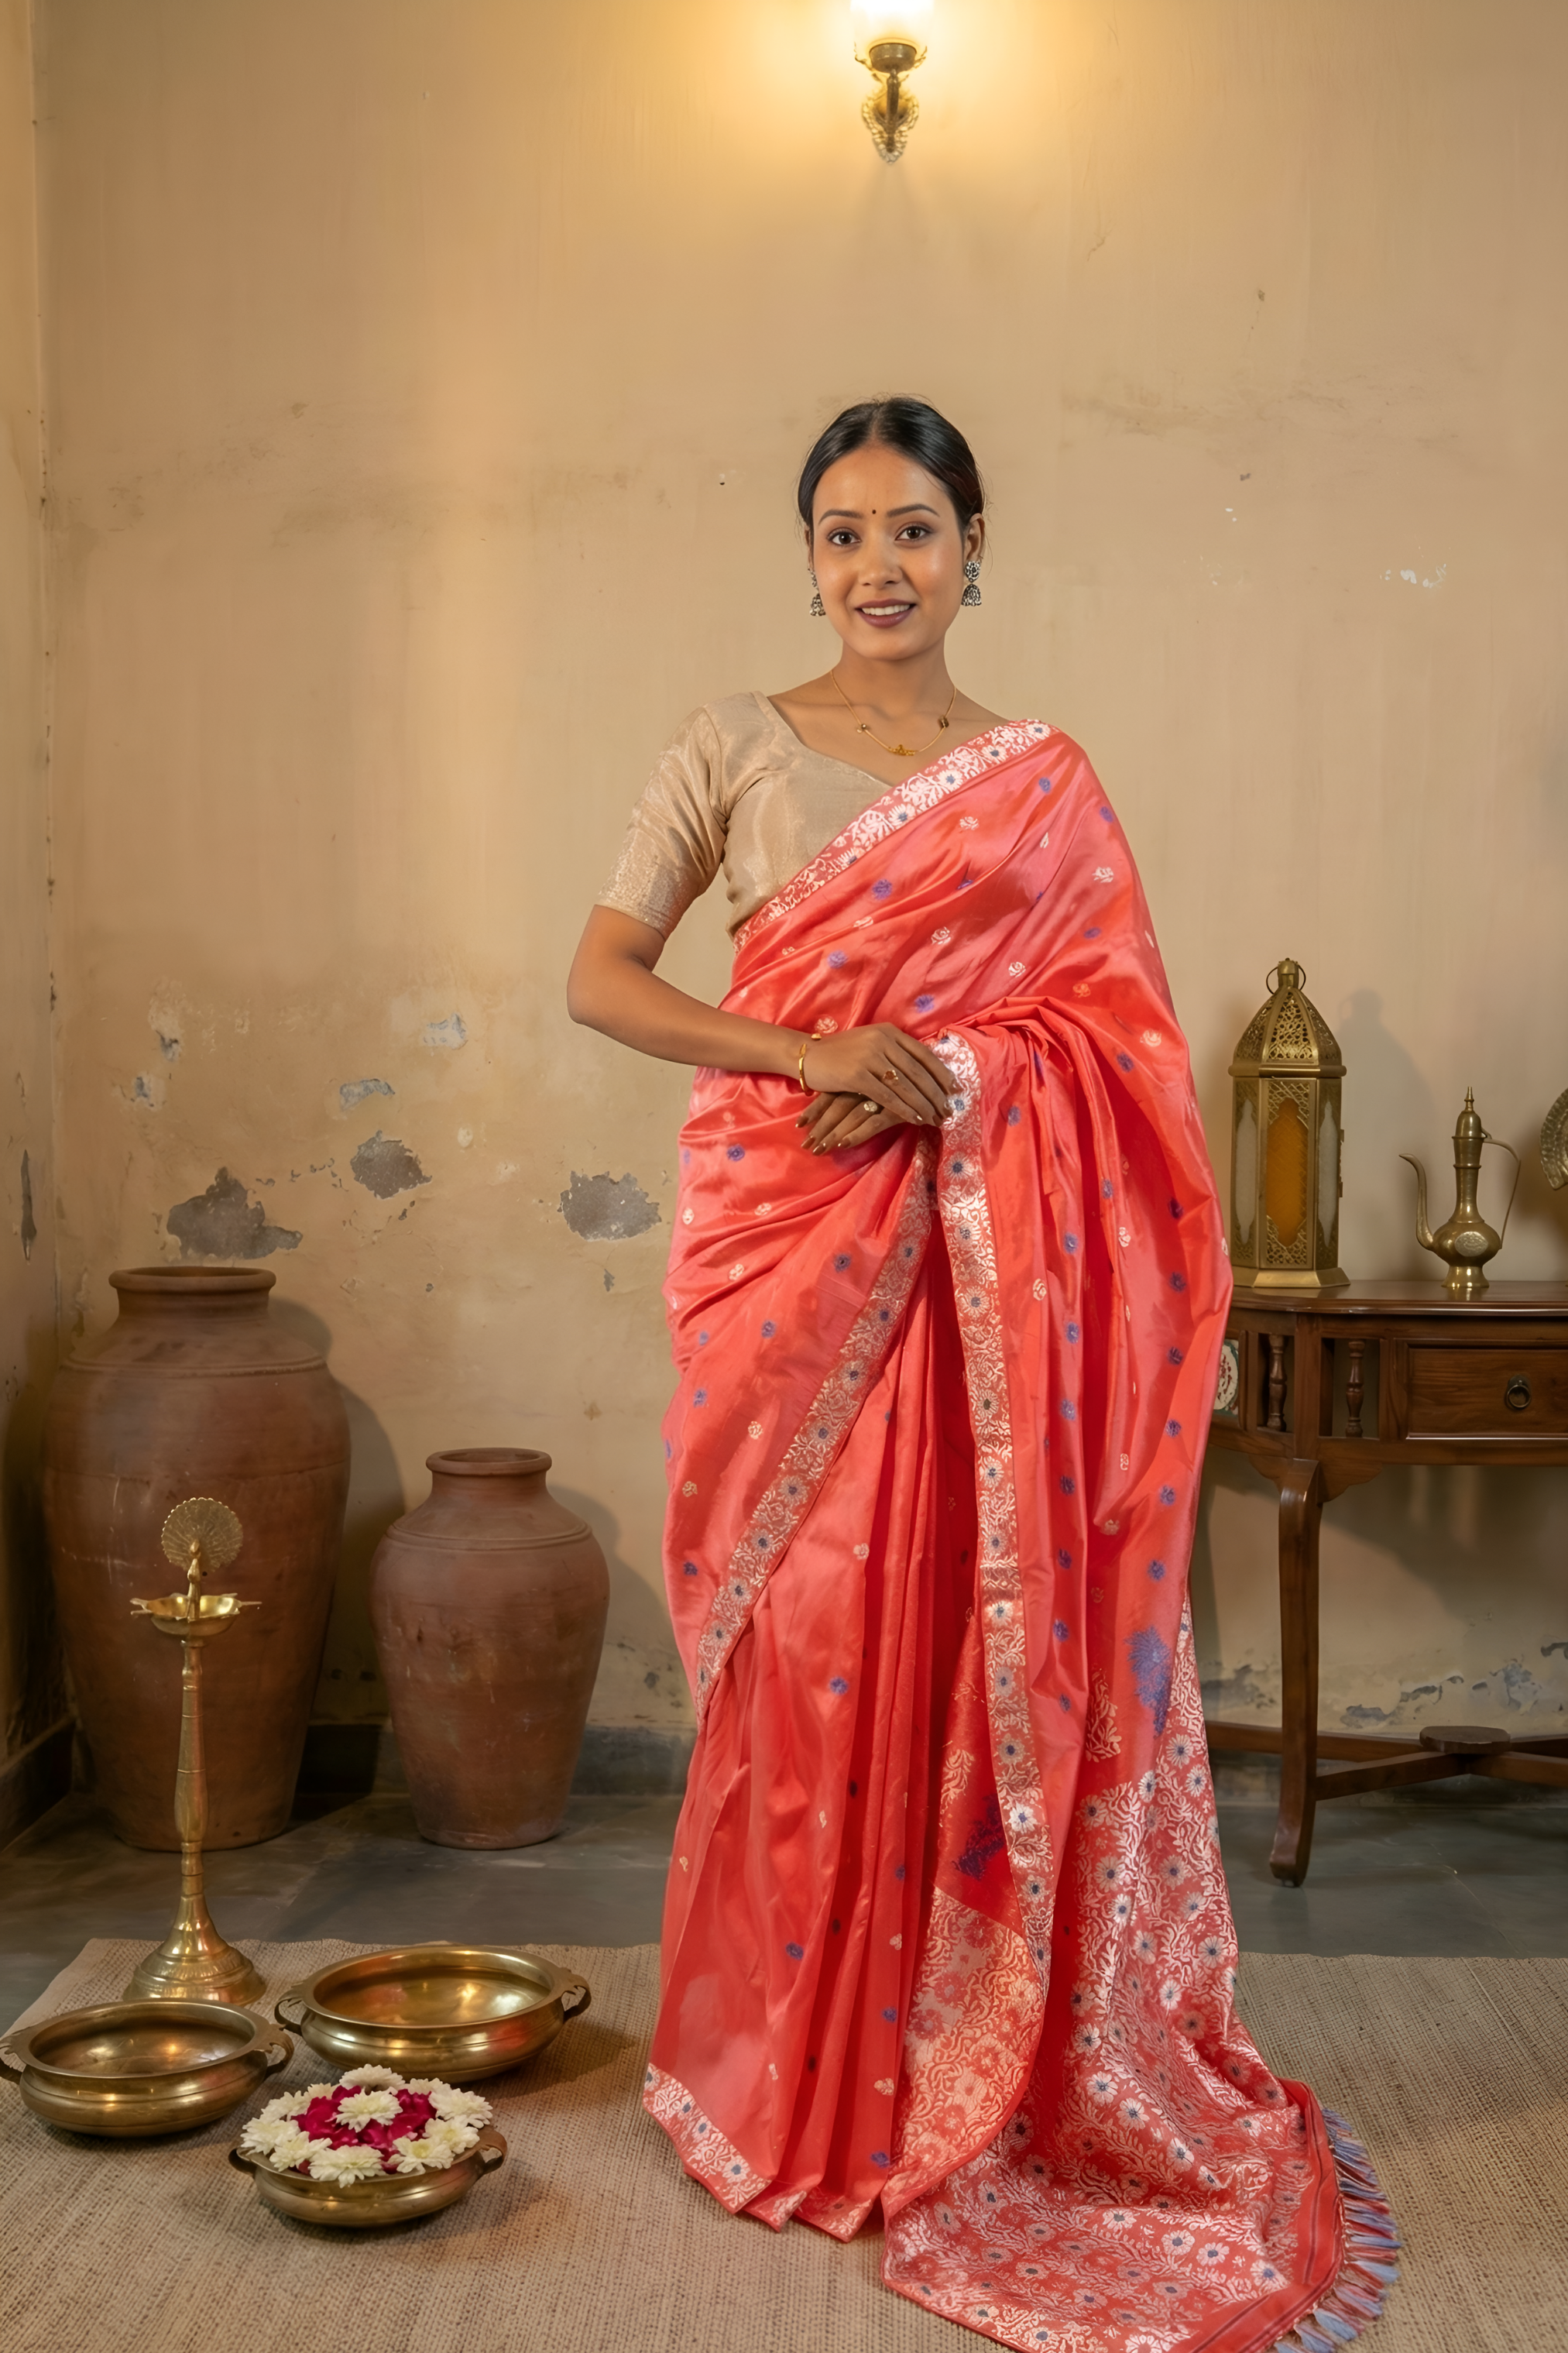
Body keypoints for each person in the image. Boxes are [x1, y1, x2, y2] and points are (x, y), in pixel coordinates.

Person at [568, 398, 1395, 2353]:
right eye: (844, 531)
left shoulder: (1044, 781)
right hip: (794, 1266)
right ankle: (790, 2074)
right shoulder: (728, 743)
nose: (878, 564)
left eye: (915, 529)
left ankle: (972, 2070)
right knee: (806, 1645)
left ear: (975, 548)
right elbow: (605, 978)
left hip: (983, 1286)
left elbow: (1111, 1045)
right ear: (804, 555)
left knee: (955, 1645)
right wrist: (810, 1060)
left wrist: (970, 1079)